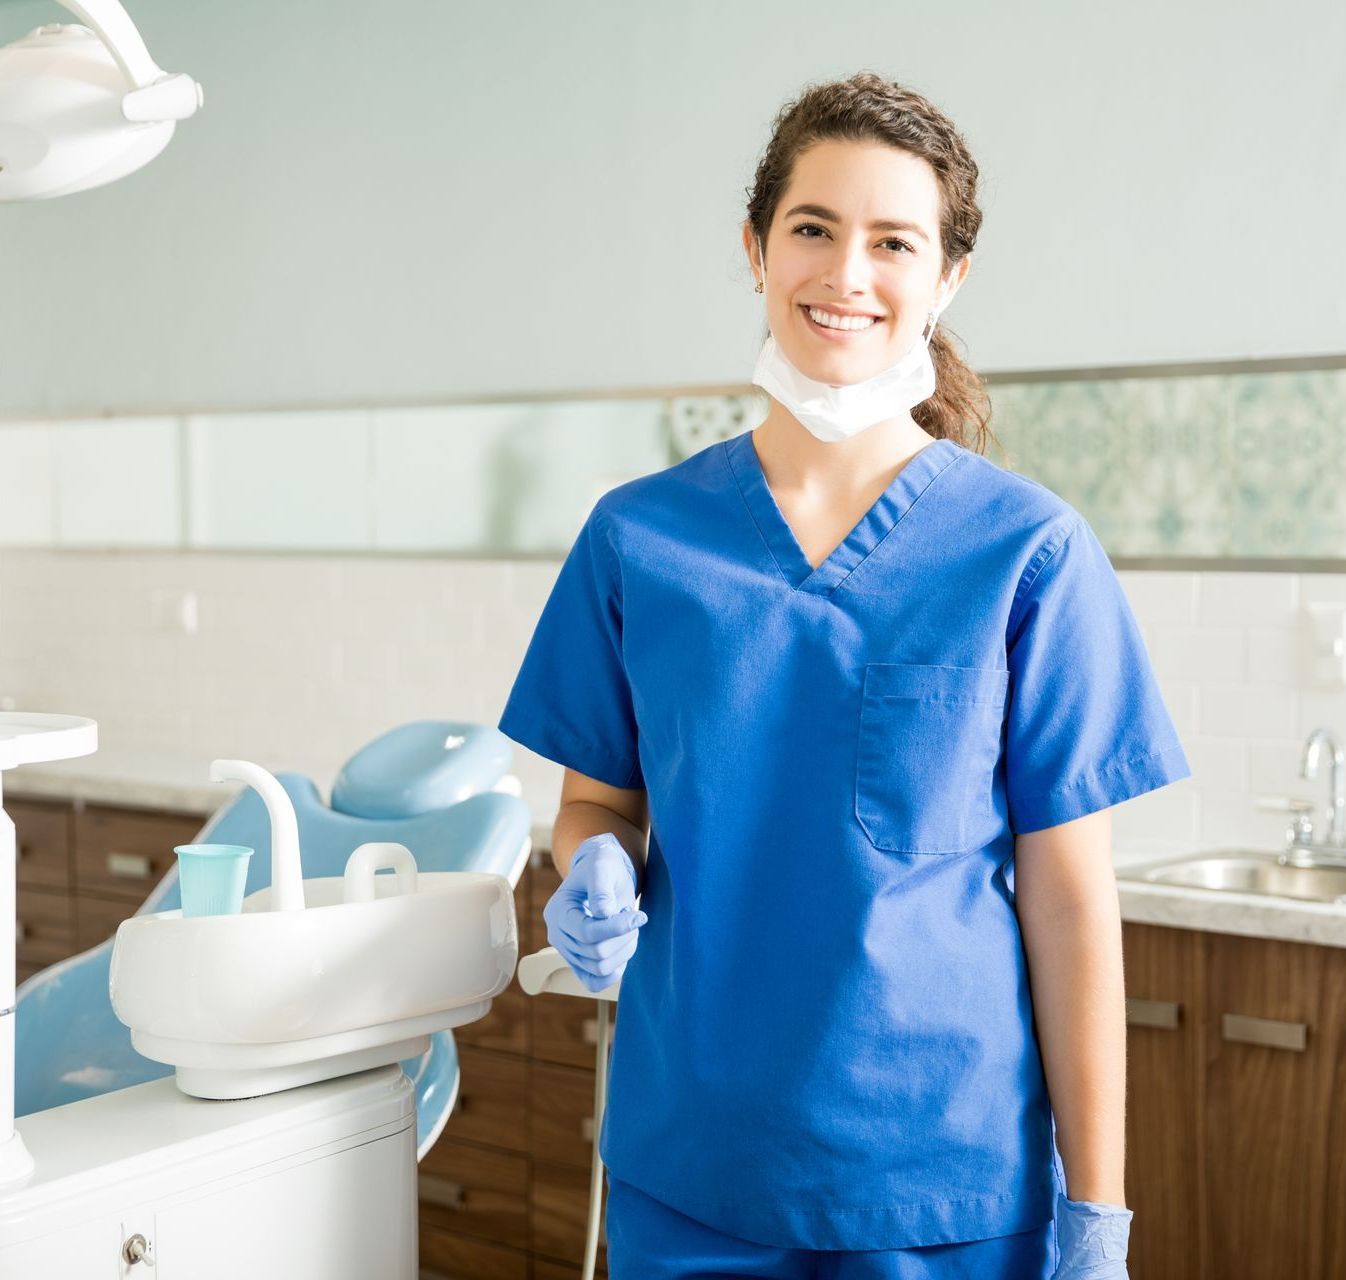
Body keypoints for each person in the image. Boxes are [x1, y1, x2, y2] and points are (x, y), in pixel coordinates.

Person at [499, 70, 1190, 1280]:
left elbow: (1073, 905)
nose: (846, 273)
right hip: (692, 1171)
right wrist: (590, 857)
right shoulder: (638, 538)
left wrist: (1097, 1215)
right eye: (812, 228)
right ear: (756, 247)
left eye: (892, 241)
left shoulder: (1024, 551)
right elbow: (595, 798)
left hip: (940, 1185)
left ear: (946, 277)